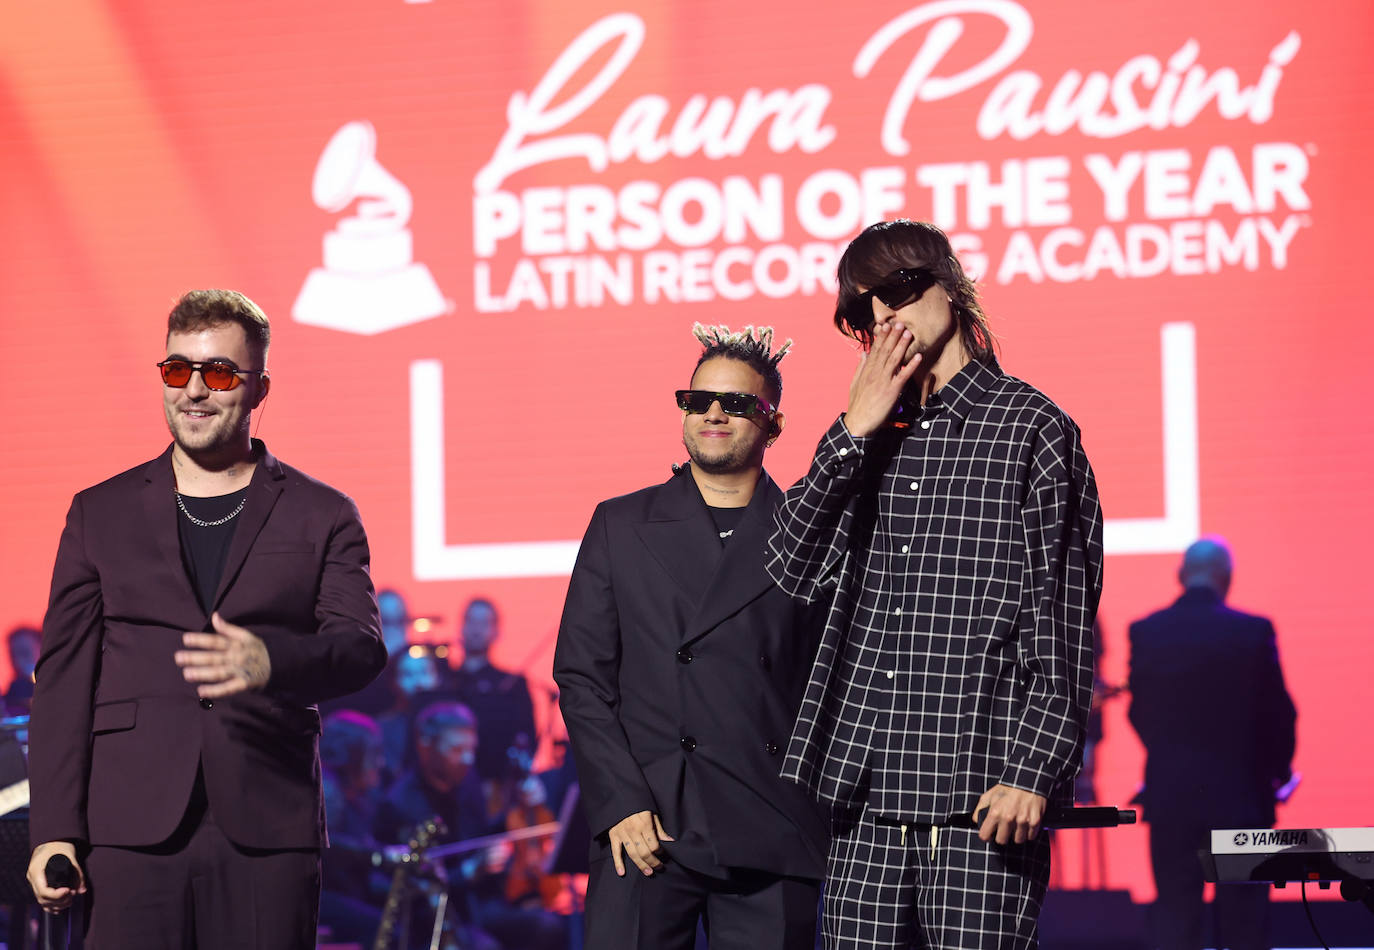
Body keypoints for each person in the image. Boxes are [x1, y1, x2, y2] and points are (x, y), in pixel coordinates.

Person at [767, 220, 1103, 949]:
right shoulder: (868, 436)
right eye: (861, 311)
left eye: (897, 290)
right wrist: (852, 431)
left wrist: (1035, 770)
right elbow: (787, 566)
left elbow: (1064, 616)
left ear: (950, 287)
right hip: (866, 793)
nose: (882, 316)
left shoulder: (1030, 428)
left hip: (980, 789)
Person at [26, 288, 387, 949]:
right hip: (130, 825)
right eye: (176, 370)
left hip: (266, 826)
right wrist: (53, 828)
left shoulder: (322, 511)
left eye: (218, 372)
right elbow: (63, 683)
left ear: (258, 388)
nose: (194, 390)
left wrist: (272, 661)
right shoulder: (98, 513)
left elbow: (360, 646)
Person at [555, 324, 828, 950]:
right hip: (647, 827)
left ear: (773, 423)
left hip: (772, 824)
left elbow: (828, 683)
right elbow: (582, 677)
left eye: (737, 403)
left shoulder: (807, 535)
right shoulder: (621, 523)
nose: (713, 414)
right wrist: (621, 802)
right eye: (698, 400)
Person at [1128, 537, 1296, 950]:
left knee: (1175, 918)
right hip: (1242, 803)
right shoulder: (1253, 632)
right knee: (1243, 923)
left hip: (1172, 801)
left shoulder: (1147, 632)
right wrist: (1277, 774)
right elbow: (1280, 716)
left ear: (1181, 577)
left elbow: (1140, 713)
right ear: (1228, 579)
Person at [376, 701, 563, 950]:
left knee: (549, 926)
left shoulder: (467, 781)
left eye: (471, 749)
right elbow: (407, 891)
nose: (467, 758)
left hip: (478, 904)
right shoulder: (400, 803)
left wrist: (516, 806)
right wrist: (466, 872)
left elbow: (480, 835)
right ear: (425, 746)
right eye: (456, 749)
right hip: (435, 916)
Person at [448, 598, 538, 805]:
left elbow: (528, 739)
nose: (476, 629)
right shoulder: (445, 681)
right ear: (461, 627)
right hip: (448, 790)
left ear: (497, 631)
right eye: (471, 621)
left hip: (497, 792)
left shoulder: (512, 685)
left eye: (484, 623)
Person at [3, 626, 40, 715]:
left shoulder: (59, 687)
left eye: (25, 653)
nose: (18, 661)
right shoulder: (12, 694)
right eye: (13, 655)